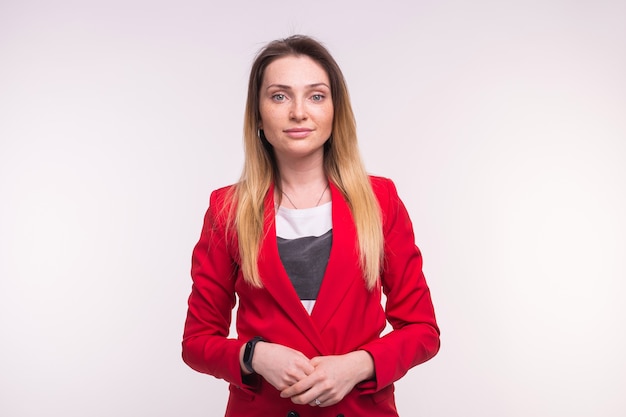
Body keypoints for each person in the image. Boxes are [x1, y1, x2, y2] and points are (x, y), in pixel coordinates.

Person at [182, 34, 440, 417]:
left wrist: (359, 364)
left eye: (316, 96)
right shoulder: (228, 210)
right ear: (258, 113)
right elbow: (196, 342)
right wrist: (254, 355)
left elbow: (422, 330)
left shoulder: (379, 201)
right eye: (279, 96)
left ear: (336, 111)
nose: (299, 112)